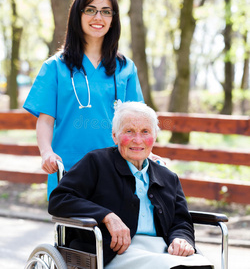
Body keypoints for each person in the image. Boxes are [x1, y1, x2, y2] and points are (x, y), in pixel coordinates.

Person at [48, 101, 213, 269]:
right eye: (129, 131)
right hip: (114, 252)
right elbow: (59, 199)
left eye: (145, 132)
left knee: (202, 265)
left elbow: (181, 221)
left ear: (154, 136)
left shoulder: (167, 177)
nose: (137, 140)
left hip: (164, 250)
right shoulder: (96, 163)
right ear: (114, 136)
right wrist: (106, 216)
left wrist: (181, 238)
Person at [23, 0, 143, 197]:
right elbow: (45, 120)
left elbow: (138, 122)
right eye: (90, 10)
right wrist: (46, 152)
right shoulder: (54, 67)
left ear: (113, 19)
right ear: (77, 15)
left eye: (106, 11)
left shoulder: (126, 68)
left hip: (116, 169)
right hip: (69, 169)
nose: (99, 17)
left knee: (116, 229)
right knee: (74, 229)